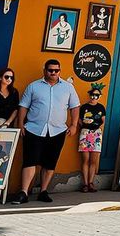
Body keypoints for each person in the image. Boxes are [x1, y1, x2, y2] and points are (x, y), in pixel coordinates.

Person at [12, 60, 80, 204]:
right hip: (33, 129)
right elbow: (23, 106)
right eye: (50, 70)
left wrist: (74, 125)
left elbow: (75, 107)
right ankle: (23, 192)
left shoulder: (68, 88)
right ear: (45, 71)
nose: (53, 73)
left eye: (56, 70)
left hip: (57, 130)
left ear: (60, 71)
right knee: (30, 161)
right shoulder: (33, 86)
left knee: (49, 163)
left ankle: (43, 191)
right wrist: (20, 124)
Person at [76, 84, 106, 193]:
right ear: (90, 95)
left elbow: (103, 121)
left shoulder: (101, 107)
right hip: (85, 132)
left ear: (100, 96)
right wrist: (84, 127)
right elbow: (79, 120)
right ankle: (85, 183)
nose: (94, 97)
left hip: (96, 134)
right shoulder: (84, 107)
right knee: (85, 159)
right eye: (93, 95)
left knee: (94, 160)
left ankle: (91, 183)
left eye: (97, 95)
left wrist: (98, 130)